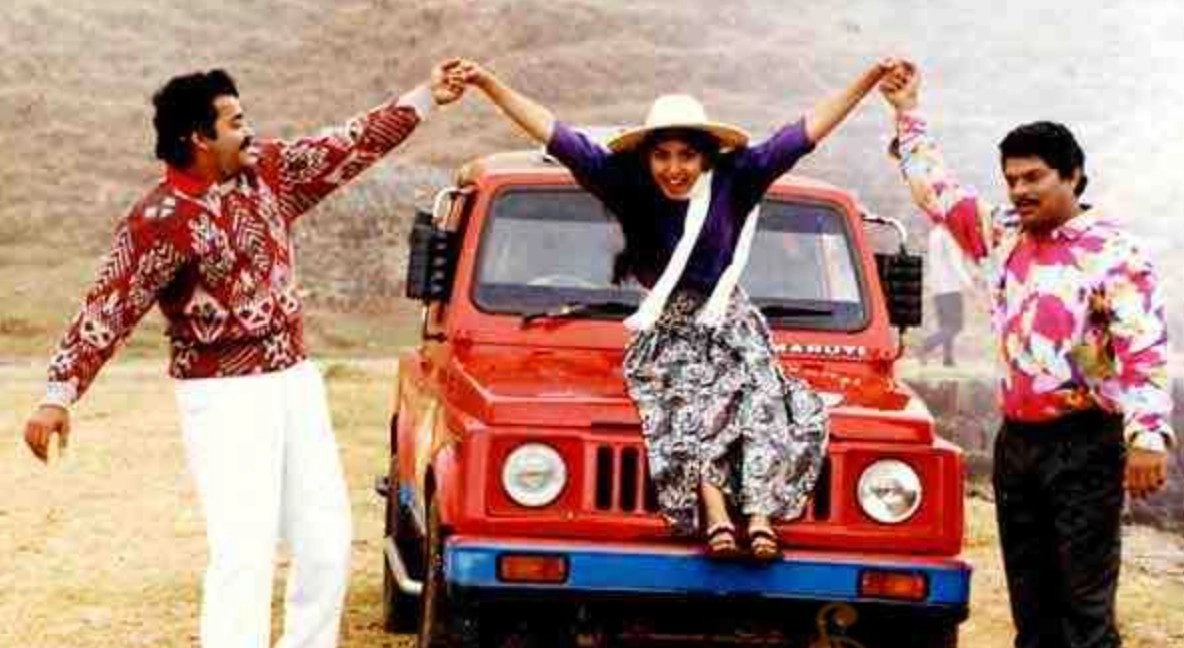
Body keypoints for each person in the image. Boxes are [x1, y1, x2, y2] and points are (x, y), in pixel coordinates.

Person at [22, 61, 467, 648]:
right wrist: (58, 394)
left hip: (295, 380)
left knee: (326, 540)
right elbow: (110, 305)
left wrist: (426, 97)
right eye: (234, 122)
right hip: (222, 396)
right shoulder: (159, 220)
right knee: (244, 552)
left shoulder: (270, 177)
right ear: (198, 139)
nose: (248, 130)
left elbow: (348, 144)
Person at [459, 58, 901, 561]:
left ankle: (759, 517)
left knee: (767, 399)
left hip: (731, 323)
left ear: (706, 156)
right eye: (662, 156)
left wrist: (868, 80)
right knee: (685, 401)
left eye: (687, 156)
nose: (674, 169)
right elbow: (553, 132)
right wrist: (487, 83)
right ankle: (715, 515)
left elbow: (805, 132)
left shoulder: (738, 178)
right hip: (668, 329)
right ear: (646, 157)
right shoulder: (625, 185)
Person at [880, 63, 1173, 648]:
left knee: (1084, 610)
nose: (1019, 190)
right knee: (1031, 610)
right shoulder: (1003, 232)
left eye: (1034, 177)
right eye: (1011, 179)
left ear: (1074, 176)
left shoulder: (1115, 252)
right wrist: (907, 113)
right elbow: (938, 192)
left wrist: (1147, 436)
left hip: (1085, 443)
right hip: (1017, 442)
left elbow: (1142, 346)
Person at [920, 224, 972, 366]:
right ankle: (926, 345)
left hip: (937, 286)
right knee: (956, 326)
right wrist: (968, 283)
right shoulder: (949, 236)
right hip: (950, 285)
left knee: (946, 325)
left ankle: (948, 359)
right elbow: (955, 263)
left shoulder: (934, 234)